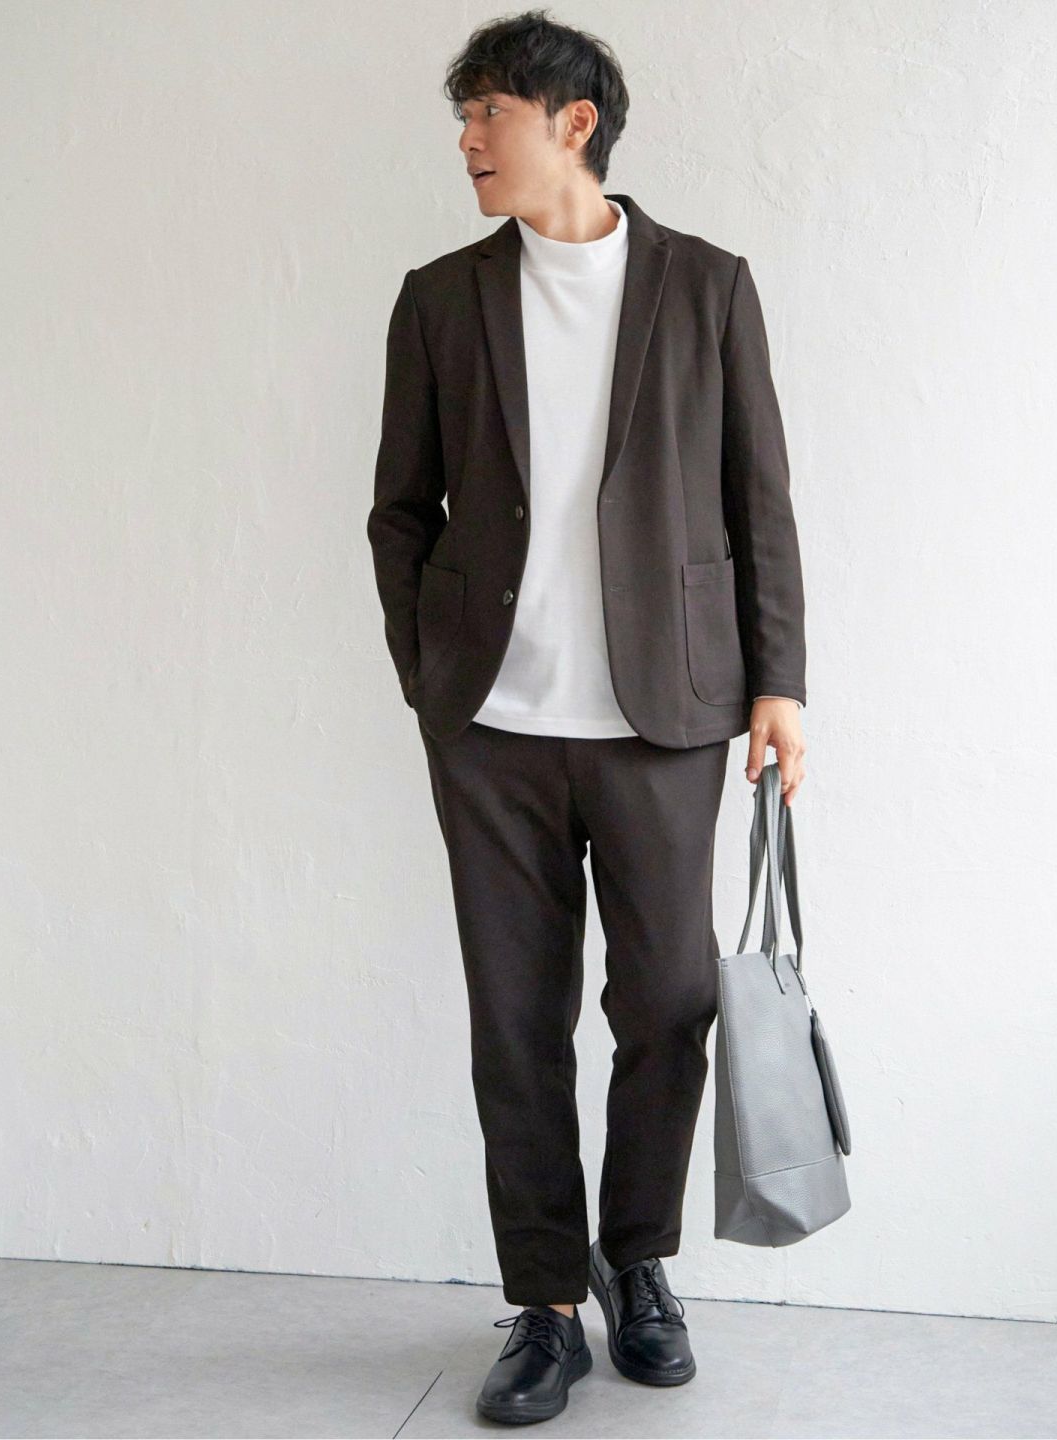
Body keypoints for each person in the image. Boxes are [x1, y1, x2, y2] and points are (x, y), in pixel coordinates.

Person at [367, 8, 808, 1425]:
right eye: (465, 116)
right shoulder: (440, 299)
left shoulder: (707, 285)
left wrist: (780, 680)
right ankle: (547, 1302)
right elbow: (398, 509)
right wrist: (431, 677)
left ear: (573, 123)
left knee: (668, 1007)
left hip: (665, 719)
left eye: (486, 111)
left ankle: (639, 1260)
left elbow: (758, 499)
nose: (465, 139)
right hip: (491, 727)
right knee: (517, 1021)